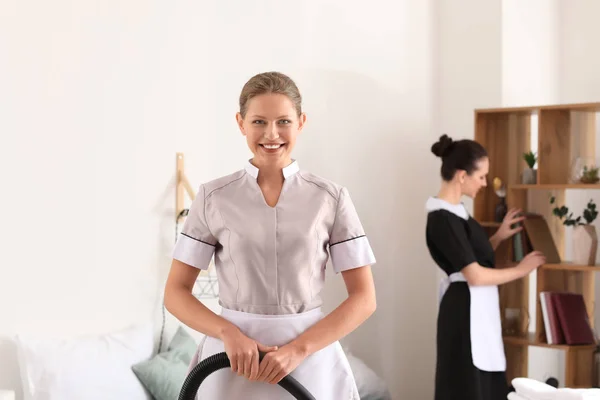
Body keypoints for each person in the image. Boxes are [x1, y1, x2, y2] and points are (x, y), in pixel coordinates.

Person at [164, 71, 377, 399]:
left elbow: (364, 299)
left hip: (309, 361)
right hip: (231, 362)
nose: (272, 134)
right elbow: (176, 292)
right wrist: (227, 333)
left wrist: (299, 350)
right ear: (241, 123)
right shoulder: (212, 197)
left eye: (284, 121)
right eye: (259, 122)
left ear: (301, 122)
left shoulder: (331, 198)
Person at [425, 134, 546, 400]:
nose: (485, 183)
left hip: (477, 309)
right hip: (463, 312)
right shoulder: (442, 218)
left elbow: (469, 256)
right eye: (481, 177)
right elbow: (475, 275)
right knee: (467, 385)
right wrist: (522, 270)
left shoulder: (458, 213)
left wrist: (499, 236)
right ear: (461, 175)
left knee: (485, 385)